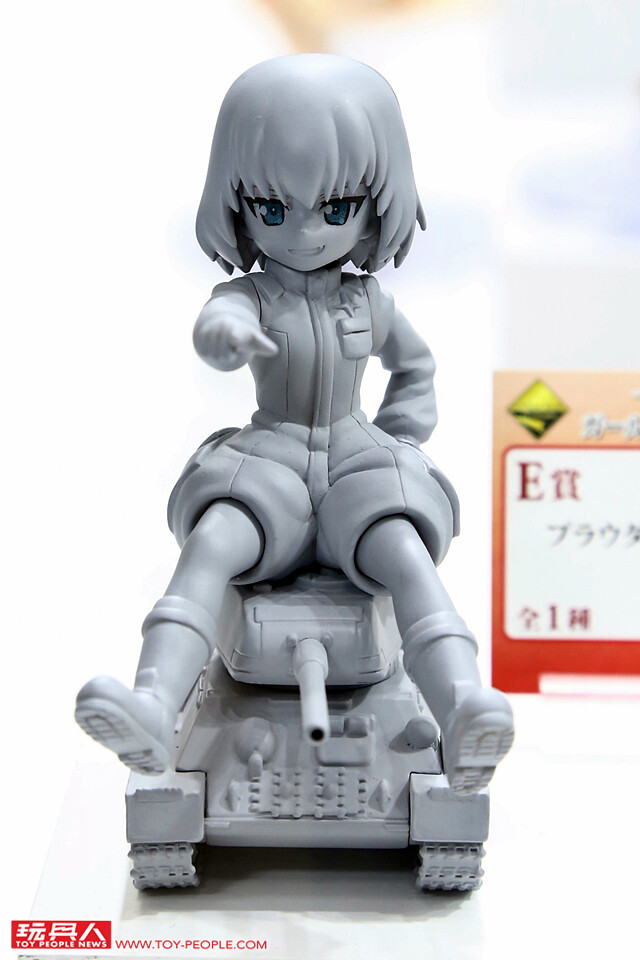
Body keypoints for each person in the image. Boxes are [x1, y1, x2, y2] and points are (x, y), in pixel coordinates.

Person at [76, 54, 513, 794]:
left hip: (357, 458)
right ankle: (152, 706)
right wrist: (225, 337)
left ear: (376, 204)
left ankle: (465, 707)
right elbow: (216, 321)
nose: (306, 232)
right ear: (237, 205)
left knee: (406, 555)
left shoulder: (369, 303)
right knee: (212, 543)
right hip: (270, 460)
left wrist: (403, 440)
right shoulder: (249, 297)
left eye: (336, 209)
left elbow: (416, 368)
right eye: (272, 210)